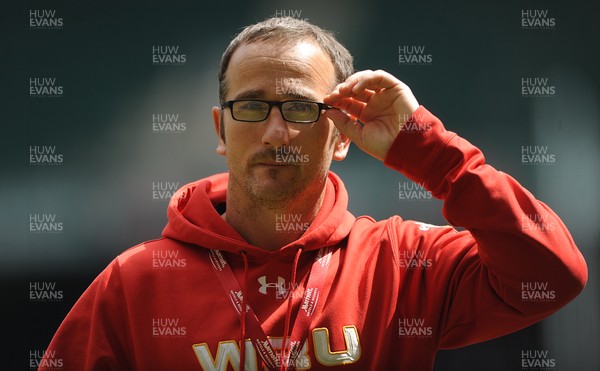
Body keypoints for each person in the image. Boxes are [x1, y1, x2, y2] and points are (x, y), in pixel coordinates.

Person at [41, 17, 587, 371]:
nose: (275, 132)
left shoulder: (400, 264)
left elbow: (552, 275)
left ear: (343, 133)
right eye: (251, 106)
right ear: (220, 130)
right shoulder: (135, 284)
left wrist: (429, 150)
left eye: (301, 108)